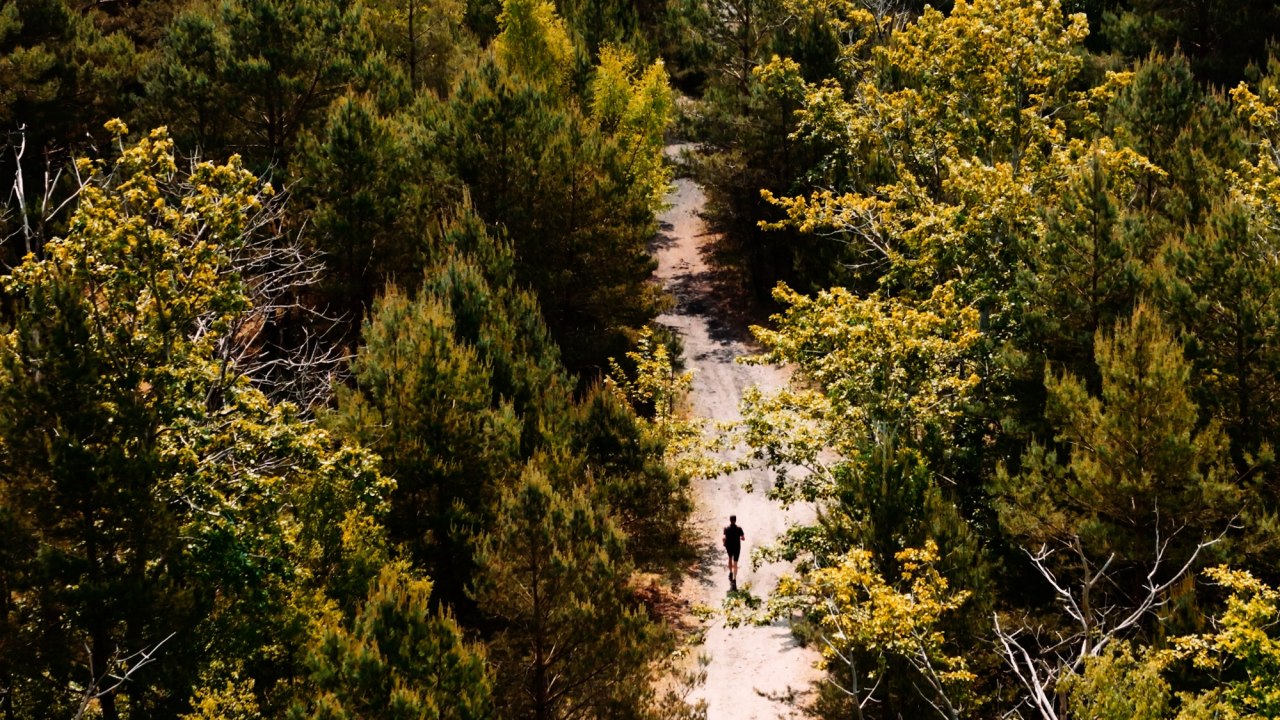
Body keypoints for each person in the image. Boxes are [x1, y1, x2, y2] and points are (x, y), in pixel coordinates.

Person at [723, 515, 745, 582]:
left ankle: (730, 572)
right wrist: (740, 538)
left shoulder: (726, 528)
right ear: (735, 520)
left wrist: (724, 543)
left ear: (730, 520)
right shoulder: (739, 528)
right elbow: (743, 538)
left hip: (729, 546)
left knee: (730, 558)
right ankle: (734, 578)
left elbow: (724, 538)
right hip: (737, 547)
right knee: (735, 563)